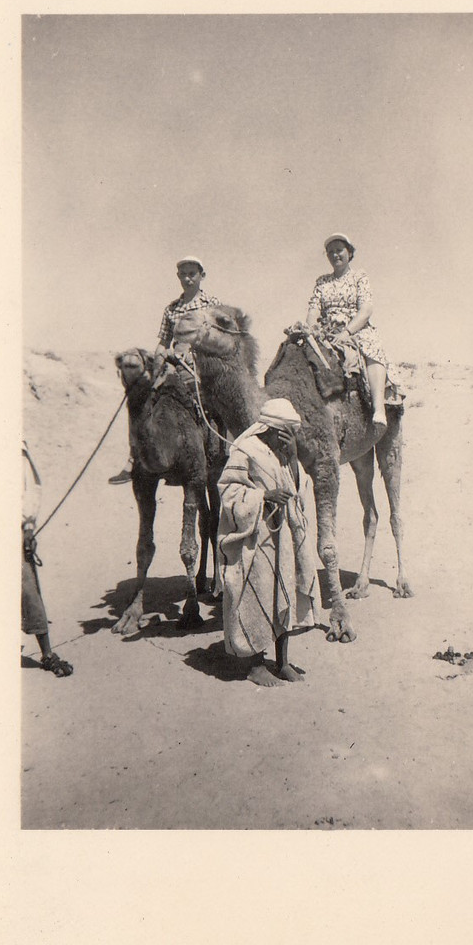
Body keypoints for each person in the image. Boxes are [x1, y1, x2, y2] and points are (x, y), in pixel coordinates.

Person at [217, 399, 318, 687]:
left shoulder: (283, 453)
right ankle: (256, 664)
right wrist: (264, 497)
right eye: (283, 433)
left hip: (282, 536)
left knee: (282, 592)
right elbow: (229, 490)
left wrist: (293, 453)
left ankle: (282, 661)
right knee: (257, 593)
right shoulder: (244, 450)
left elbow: (297, 488)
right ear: (268, 428)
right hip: (255, 537)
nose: (285, 439)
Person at [109, 254, 222, 484]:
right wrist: (160, 361)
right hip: (175, 365)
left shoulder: (212, 304)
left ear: (202, 276)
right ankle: (134, 458)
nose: (188, 279)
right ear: (178, 276)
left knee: (218, 399)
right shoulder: (171, 309)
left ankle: (226, 454)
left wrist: (193, 352)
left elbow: (218, 337)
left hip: (203, 363)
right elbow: (163, 341)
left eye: (192, 274)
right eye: (183, 274)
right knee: (140, 399)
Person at [305, 233, 390, 431]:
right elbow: (313, 309)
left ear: (349, 253)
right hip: (327, 330)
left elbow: (366, 310)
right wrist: (311, 329)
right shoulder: (322, 282)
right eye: (331, 252)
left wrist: (347, 332)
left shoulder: (359, 277)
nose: (335, 255)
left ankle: (379, 408)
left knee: (373, 347)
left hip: (355, 328)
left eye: (339, 250)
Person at [22, 443, 73, 677]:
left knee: (28, 590)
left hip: (7, 528)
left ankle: (47, 653)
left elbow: (31, 488)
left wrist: (28, 527)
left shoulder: (14, 448)